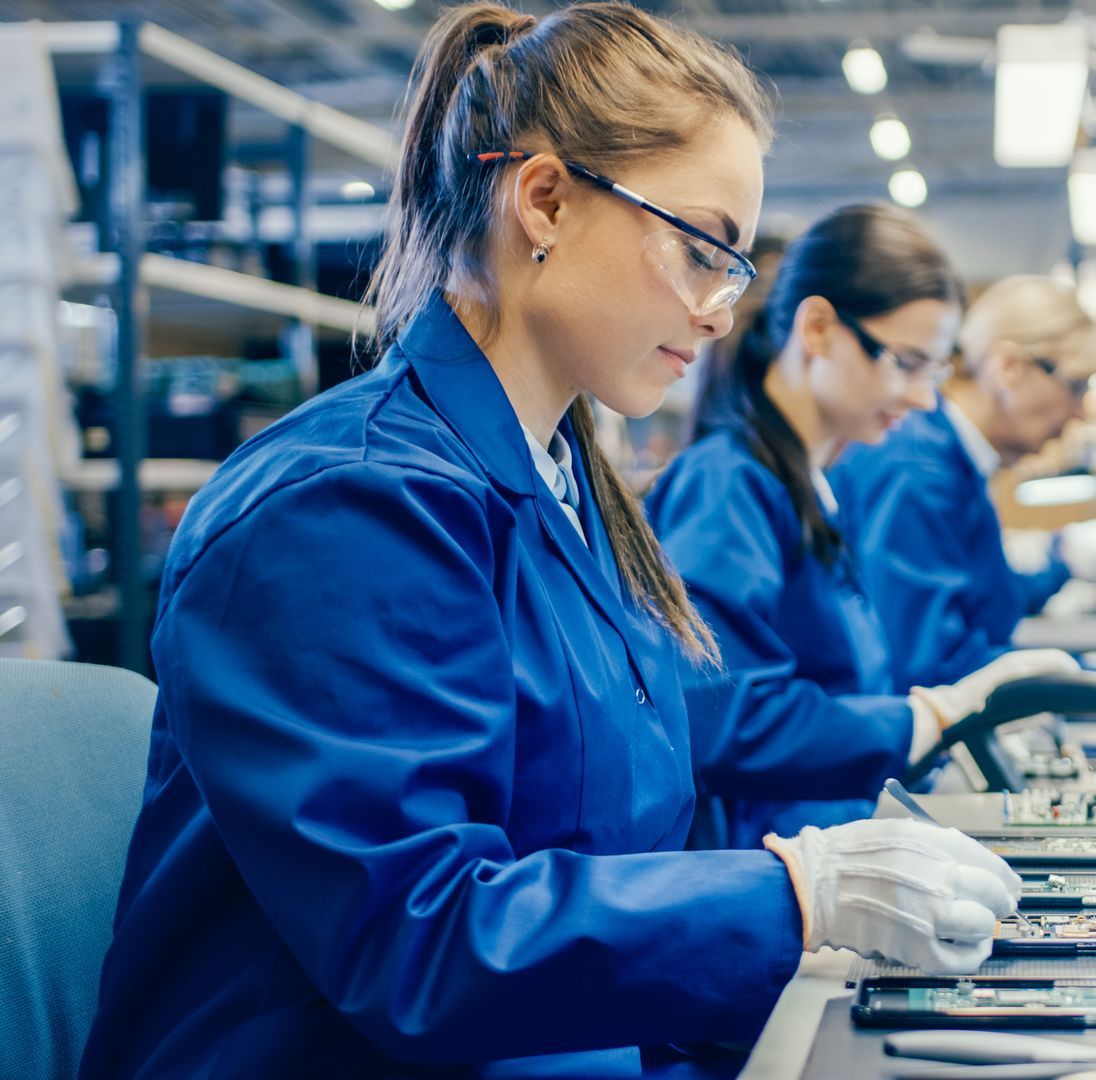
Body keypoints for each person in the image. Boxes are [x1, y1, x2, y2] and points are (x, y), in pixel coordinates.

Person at [80, 6, 1018, 1077]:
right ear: (546, 200)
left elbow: (609, 862)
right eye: (704, 247)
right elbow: (421, 940)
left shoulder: (571, 492)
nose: (719, 313)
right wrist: (792, 899)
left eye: (735, 269)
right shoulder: (342, 508)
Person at [646, 206, 1080, 849]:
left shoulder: (811, 489)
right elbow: (721, 718)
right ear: (818, 328)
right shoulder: (729, 488)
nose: (923, 398)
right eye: (905, 363)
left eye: (933, 370)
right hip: (766, 875)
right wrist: (920, 721)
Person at [833, 276, 1096, 697]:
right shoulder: (916, 469)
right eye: (1075, 386)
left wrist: (1059, 562)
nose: (1081, 412)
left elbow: (974, 602)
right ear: (1008, 368)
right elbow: (931, 666)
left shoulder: (954, 459)